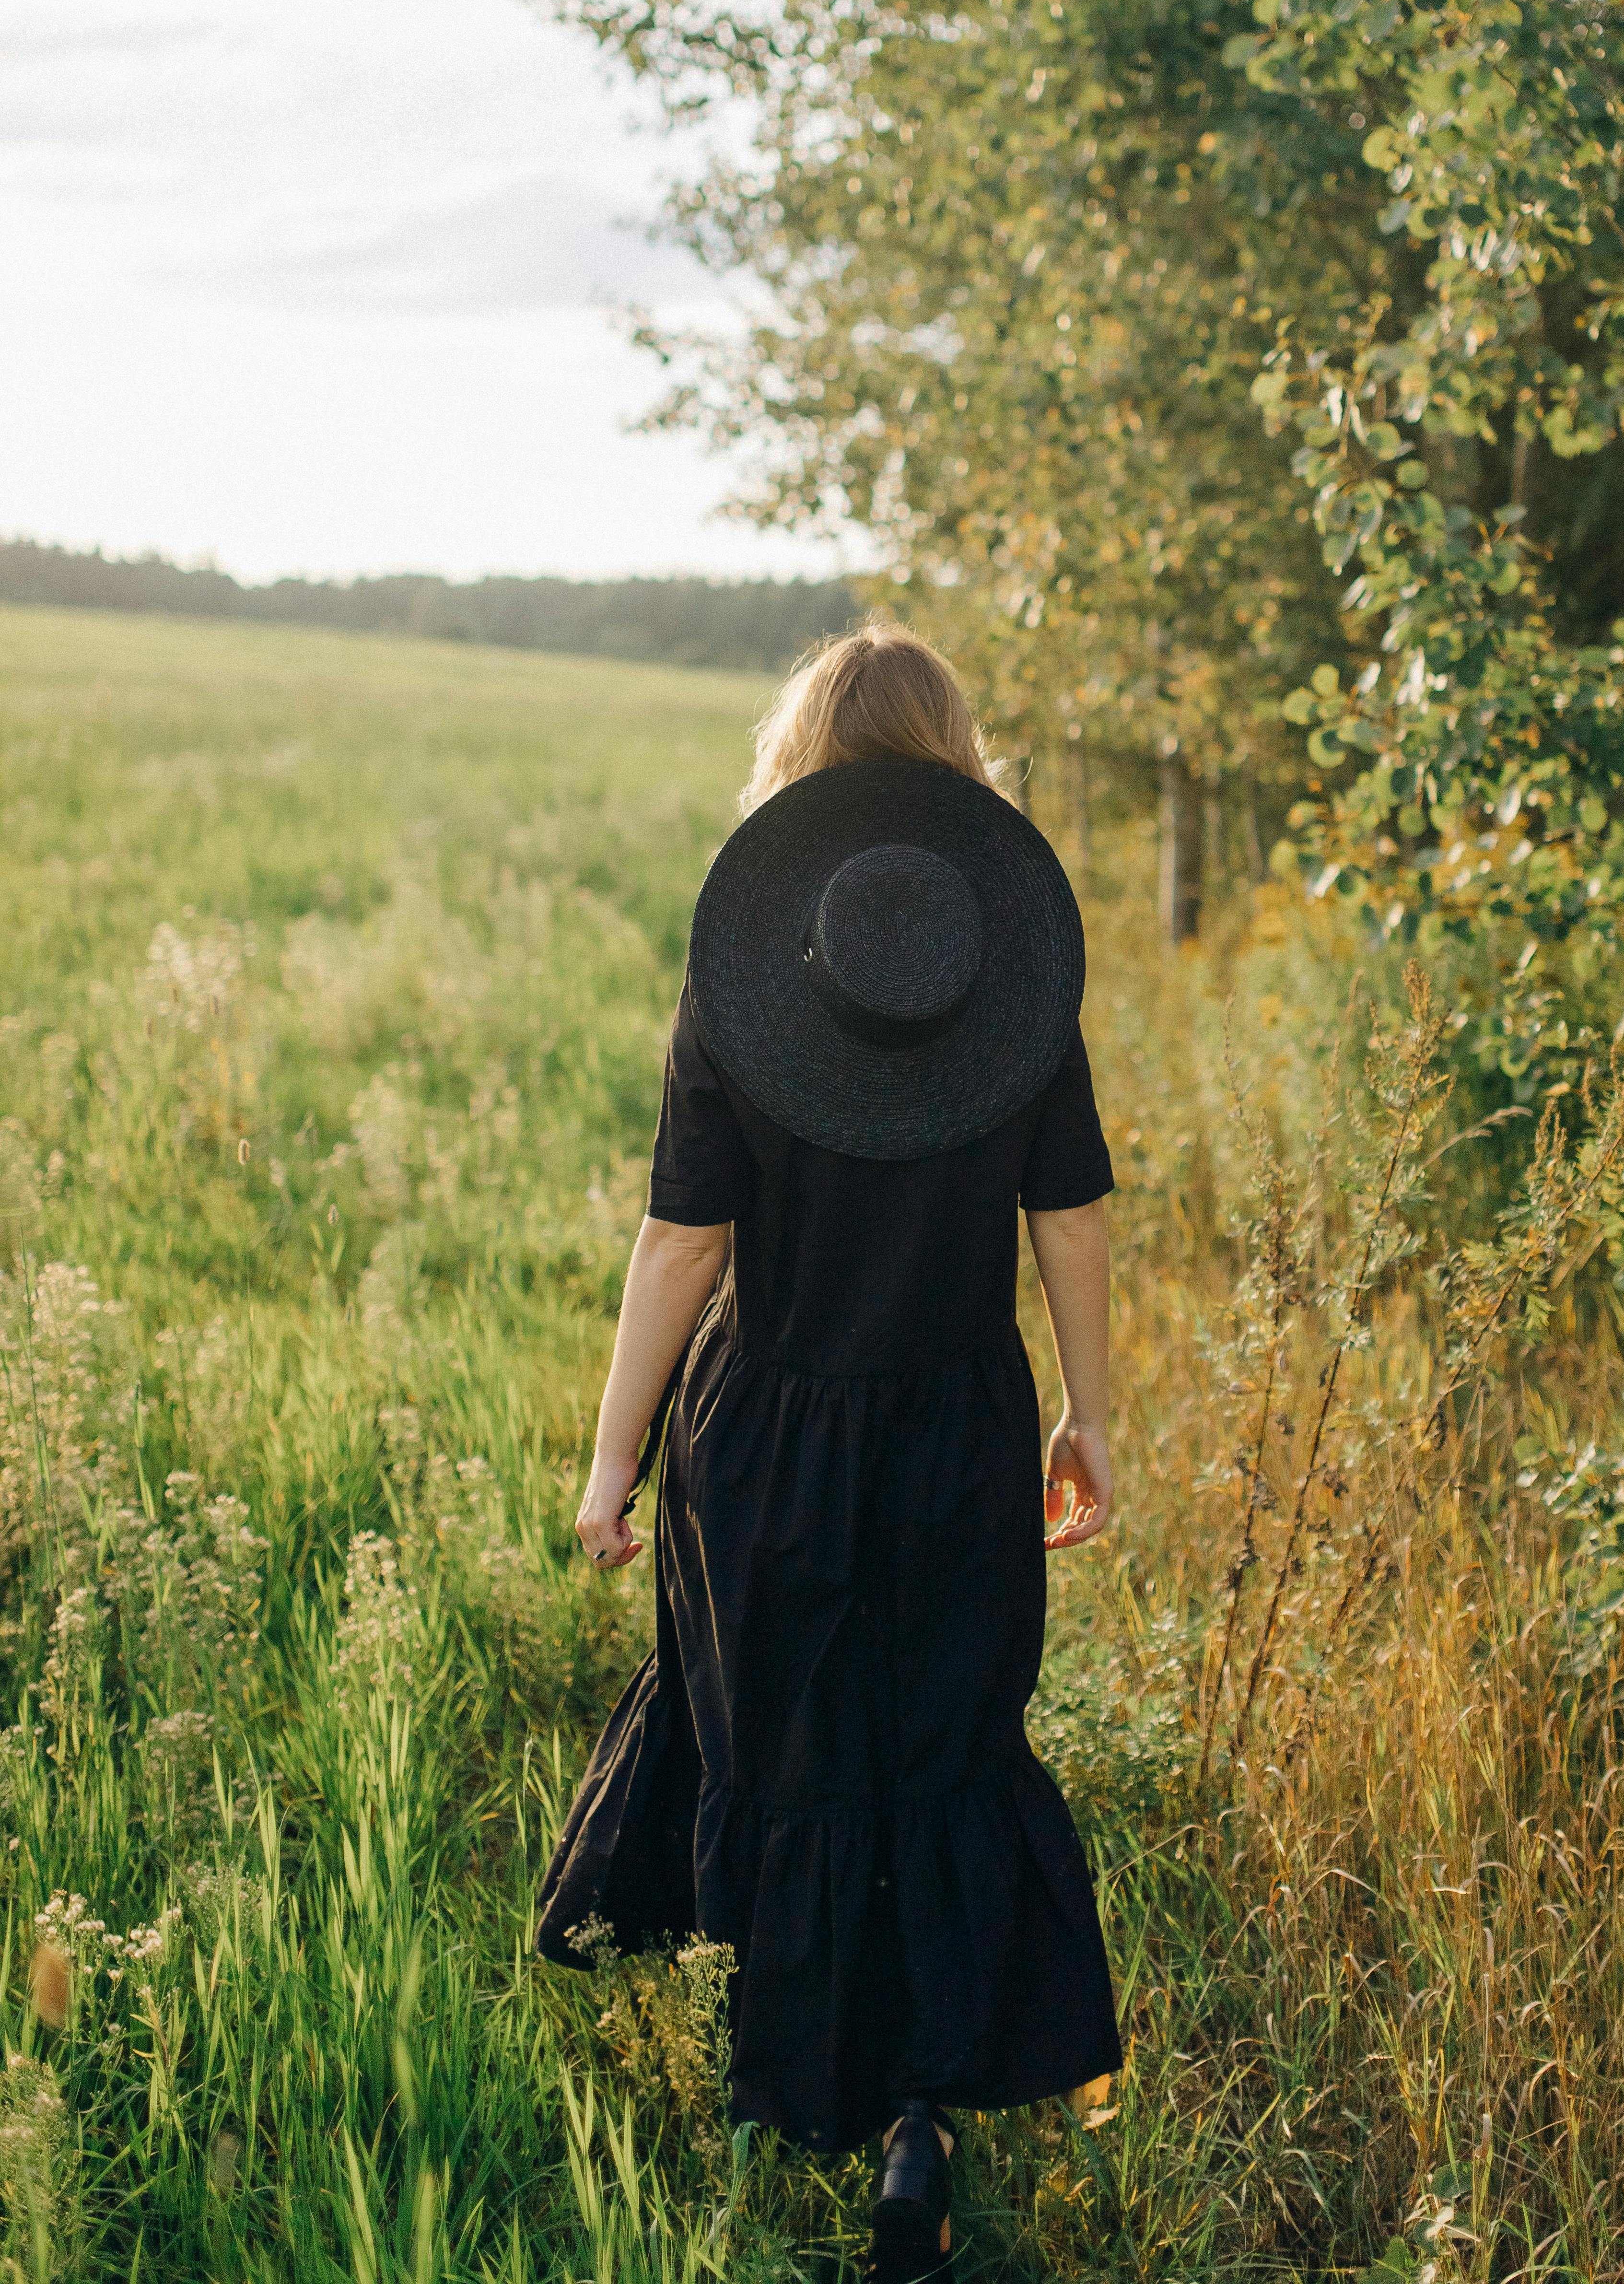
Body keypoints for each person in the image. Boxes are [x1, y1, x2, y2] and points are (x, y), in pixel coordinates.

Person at [539, 620, 1122, 2282]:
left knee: (784, 1752)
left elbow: (681, 1247)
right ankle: (917, 2124)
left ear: (797, 769)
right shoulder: (1012, 980)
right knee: (934, 1746)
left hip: (767, 1439)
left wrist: (612, 1462)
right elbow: (1069, 1218)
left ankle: (779, 2099)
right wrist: (1089, 1417)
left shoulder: (749, 974)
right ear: (959, 773)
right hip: (956, 1427)